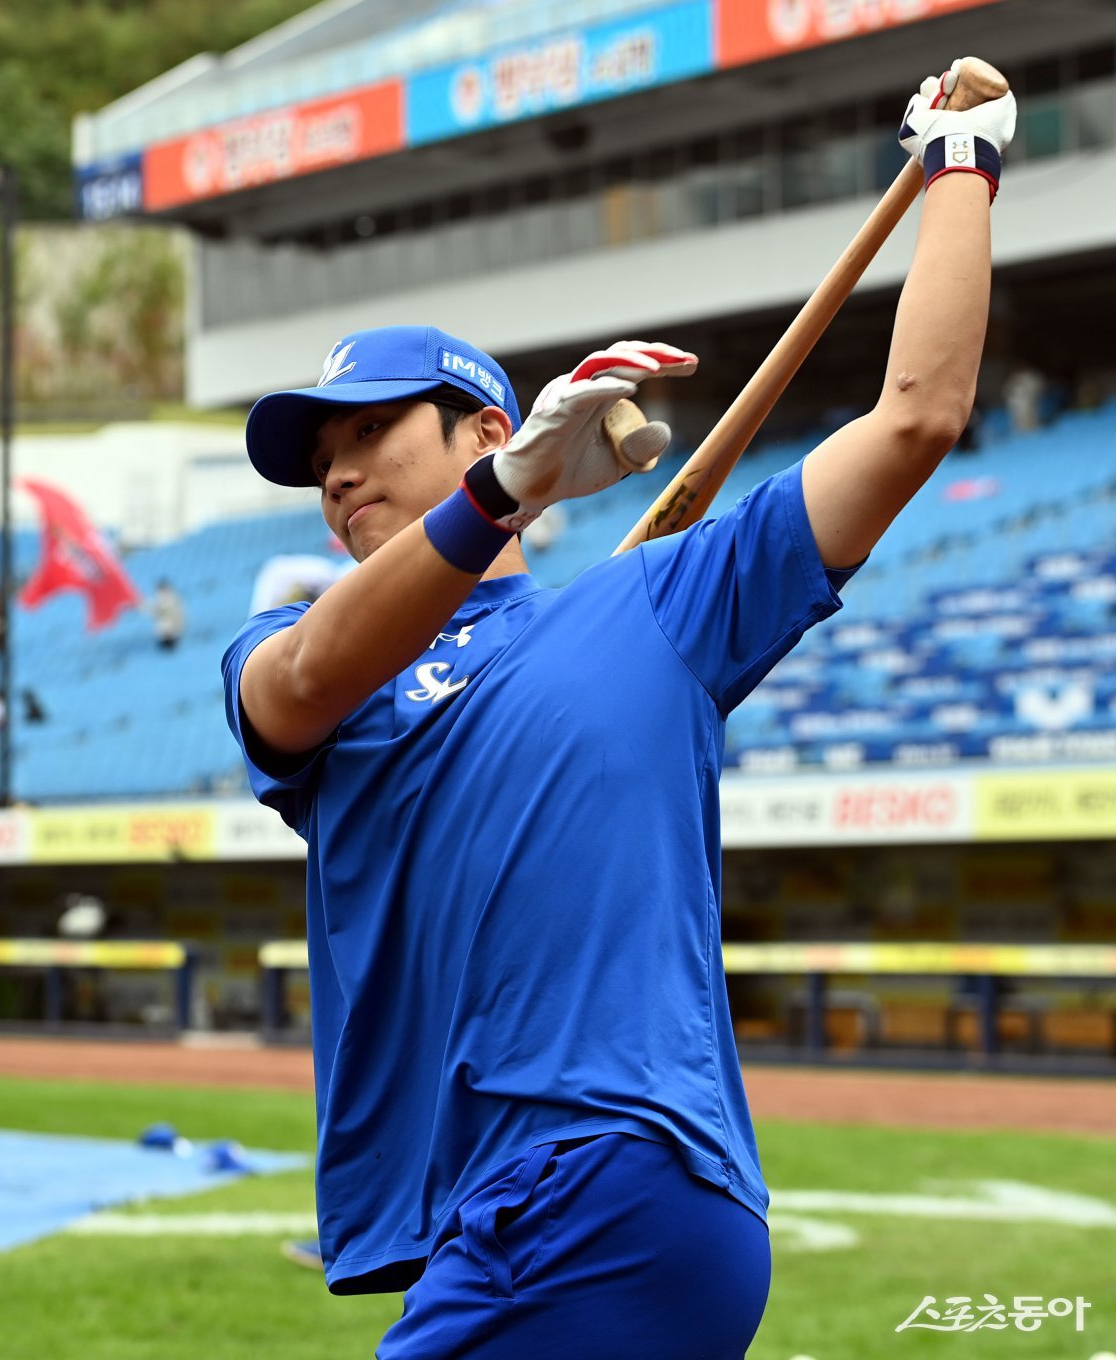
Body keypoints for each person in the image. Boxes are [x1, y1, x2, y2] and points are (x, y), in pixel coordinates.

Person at [223, 63, 1015, 1360]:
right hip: (499, 1213)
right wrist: (502, 498)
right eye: (318, 461)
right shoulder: (312, 653)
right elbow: (300, 687)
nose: (340, 474)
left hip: (602, 1173)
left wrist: (963, 168)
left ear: (483, 424)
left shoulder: (656, 604)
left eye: (369, 432)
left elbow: (916, 419)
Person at [149, 577, 185, 650]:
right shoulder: (163, 598)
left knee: (165, 625)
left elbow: (162, 610)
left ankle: (168, 640)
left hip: (172, 623)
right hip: (171, 625)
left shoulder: (171, 598)